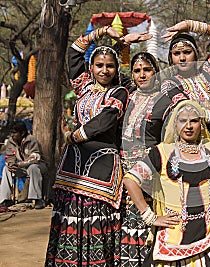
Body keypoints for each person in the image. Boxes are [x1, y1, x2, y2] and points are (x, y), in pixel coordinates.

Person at [45, 24, 151, 266]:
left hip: (101, 166)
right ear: (91, 67)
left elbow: (104, 121)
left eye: (110, 66)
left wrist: (74, 136)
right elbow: (73, 53)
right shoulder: (83, 85)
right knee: (68, 216)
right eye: (99, 65)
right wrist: (103, 32)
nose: (104, 70)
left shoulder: (120, 91)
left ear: (117, 69)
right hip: (72, 167)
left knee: (96, 220)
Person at [122, 68, 210, 266]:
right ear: (175, 125)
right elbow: (130, 179)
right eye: (183, 121)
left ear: (201, 124)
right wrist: (150, 217)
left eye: (194, 120)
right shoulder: (162, 152)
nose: (188, 125)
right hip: (174, 232)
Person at [119, 51, 171, 266]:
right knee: (124, 228)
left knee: (145, 228)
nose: (142, 75)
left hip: (149, 171)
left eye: (147, 70)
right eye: (137, 70)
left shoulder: (165, 100)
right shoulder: (125, 96)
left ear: (156, 73)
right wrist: (122, 44)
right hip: (121, 171)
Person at [160, 19, 210, 138]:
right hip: (192, 142)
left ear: (196, 54)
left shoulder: (208, 72)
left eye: (187, 52)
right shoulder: (170, 84)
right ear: (171, 58)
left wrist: (190, 25)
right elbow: (191, 113)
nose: (182, 58)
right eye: (176, 54)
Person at [0, 121, 47, 210]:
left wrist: (19, 164)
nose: (12, 135)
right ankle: (5, 200)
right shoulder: (11, 142)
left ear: (22, 133)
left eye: (14, 133)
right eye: (11, 133)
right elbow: (9, 156)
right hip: (22, 168)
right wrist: (11, 164)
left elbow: (35, 158)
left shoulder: (31, 140)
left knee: (33, 168)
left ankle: (37, 199)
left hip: (38, 166)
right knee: (6, 169)